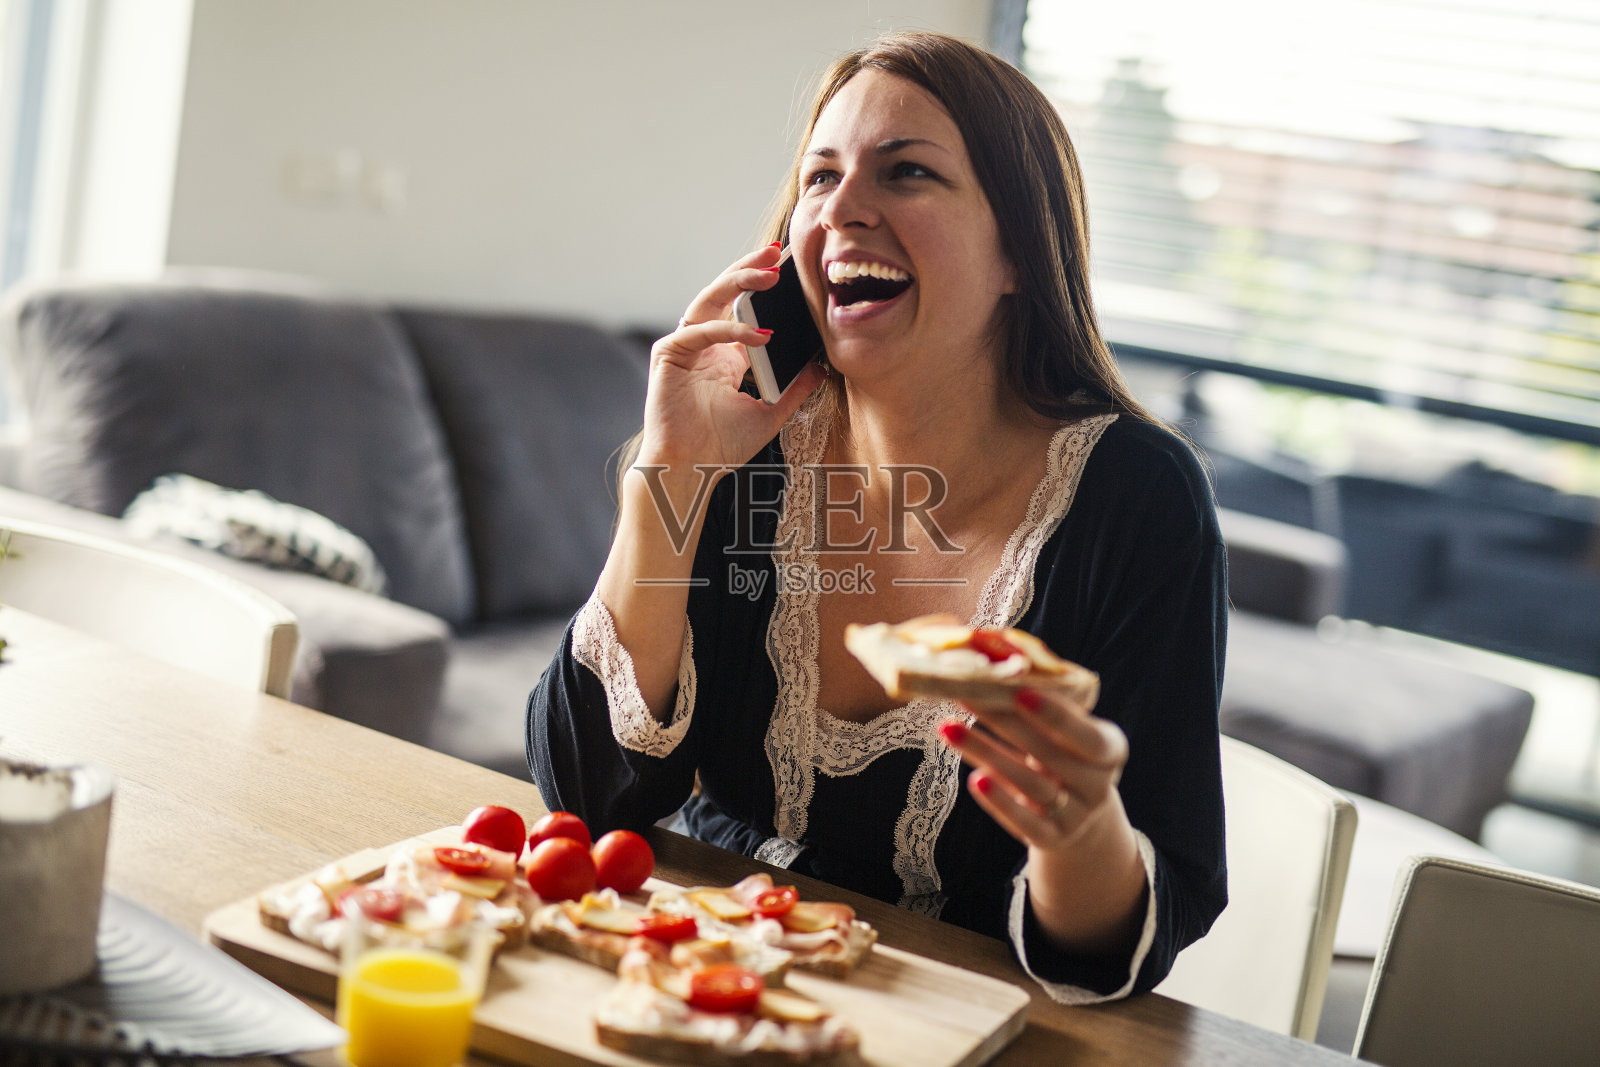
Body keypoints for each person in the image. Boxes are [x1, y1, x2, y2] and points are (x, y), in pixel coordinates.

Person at [527, 31, 1226, 1001]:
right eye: (818, 178)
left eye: (906, 172)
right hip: (705, 988)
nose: (843, 208)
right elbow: (586, 796)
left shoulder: (1135, 499)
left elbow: (1113, 958)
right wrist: (672, 470)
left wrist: (1078, 831)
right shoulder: (748, 435)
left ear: (1020, 249)